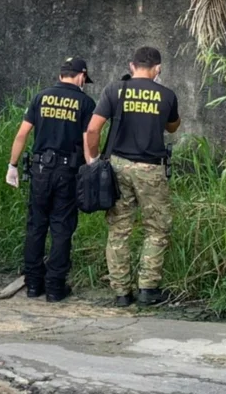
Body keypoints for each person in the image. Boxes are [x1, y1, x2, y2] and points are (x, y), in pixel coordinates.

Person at [85, 46, 181, 308]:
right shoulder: (167, 95)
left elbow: (93, 129)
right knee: (157, 228)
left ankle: (121, 293)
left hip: (117, 167)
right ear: (158, 69)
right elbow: (173, 126)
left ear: (131, 66)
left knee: (119, 229)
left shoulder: (114, 90)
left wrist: (93, 159)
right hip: (151, 168)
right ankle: (148, 289)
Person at [7, 57, 96, 302]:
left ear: (60, 76)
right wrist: (93, 168)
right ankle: (55, 288)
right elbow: (89, 140)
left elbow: (22, 133)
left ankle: (33, 284)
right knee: (61, 227)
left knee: (36, 226)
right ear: (81, 76)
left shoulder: (41, 97)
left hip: (40, 171)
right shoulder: (86, 102)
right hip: (67, 172)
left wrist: (12, 165)